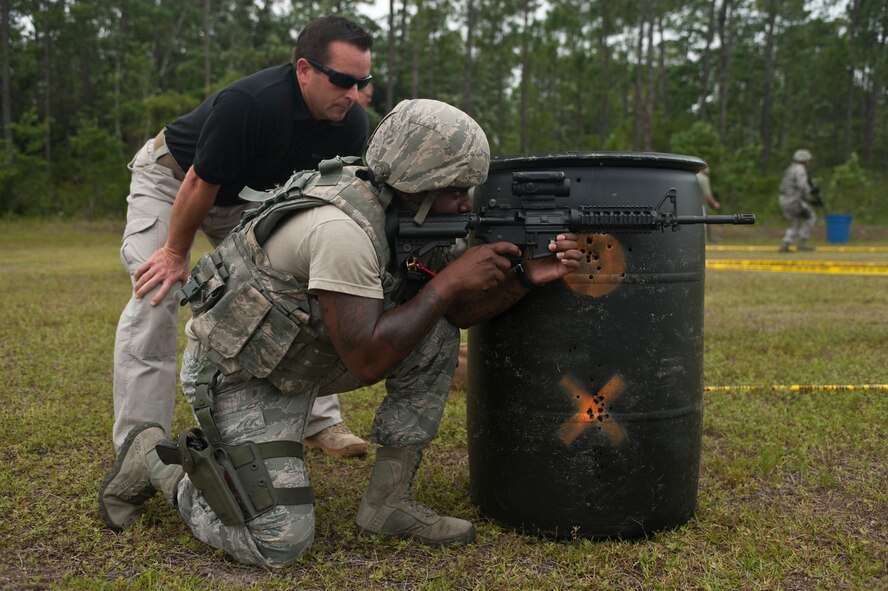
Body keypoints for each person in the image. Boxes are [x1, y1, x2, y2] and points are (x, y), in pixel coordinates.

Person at [99, 99, 583, 568]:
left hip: (303, 357)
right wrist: (452, 282)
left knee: (433, 333)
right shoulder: (341, 230)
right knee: (279, 542)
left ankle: (388, 504)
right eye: (457, 188)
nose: (466, 201)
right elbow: (366, 360)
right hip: (242, 376)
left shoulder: (409, 211)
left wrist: (523, 278)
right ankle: (153, 461)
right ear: (420, 182)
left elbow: (455, 314)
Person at [111, 15, 373, 460]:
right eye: (342, 81)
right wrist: (175, 253)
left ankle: (319, 422)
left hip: (245, 199)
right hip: (173, 182)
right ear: (304, 69)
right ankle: (140, 448)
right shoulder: (250, 103)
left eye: (361, 82)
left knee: (301, 287)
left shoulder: (348, 122)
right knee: (157, 294)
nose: (353, 94)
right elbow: (199, 181)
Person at [778, 149, 816, 252]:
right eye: (808, 160)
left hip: (783, 199)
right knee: (810, 217)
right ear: (803, 160)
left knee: (795, 222)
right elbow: (802, 185)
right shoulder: (800, 169)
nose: (809, 162)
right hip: (792, 200)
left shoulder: (790, 168)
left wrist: (807, 199)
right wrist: (811, 192)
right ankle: (802, 243)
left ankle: (785, 244)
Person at [696, 165, 721, 243]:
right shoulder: (704, 179)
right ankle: (708, 239)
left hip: (692, 203)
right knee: (706, 220)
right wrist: (715, 203)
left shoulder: (694, 176)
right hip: (701, 204)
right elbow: (707, 195)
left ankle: (707, 238)